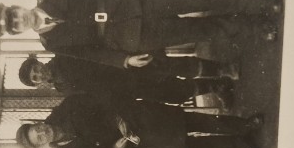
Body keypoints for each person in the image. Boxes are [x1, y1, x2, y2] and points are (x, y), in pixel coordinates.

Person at [0, 0, 281, 69]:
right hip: (133, 37)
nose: (21, 20)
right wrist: (123, 60)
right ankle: (257, 27)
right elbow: (91, 54)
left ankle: (261, 0)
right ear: (18, 32)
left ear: (18, 7)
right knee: (202, 30)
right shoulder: (51, 44)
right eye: (15, 26)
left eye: (15, 15)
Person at [15, 93, 264, 148]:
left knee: (195, 121)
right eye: (39, 138)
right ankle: (242, 145)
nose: (42, 132)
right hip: (139, 146)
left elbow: (100, 97)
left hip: (138, 117)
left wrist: (118, 118)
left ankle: (244, 125)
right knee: (194, 147)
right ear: (42, 146)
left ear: (37, 123)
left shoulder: (65, 108)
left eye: (37, 129)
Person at [17, 53, 236, 108]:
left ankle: (222, 68)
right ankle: (217, 86)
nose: (39, 74)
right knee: (173, 92)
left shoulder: (63, 57)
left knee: (173, 67)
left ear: (38, 62)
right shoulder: (61, 88)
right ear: (38, 84)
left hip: (125, 67)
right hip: (127, 89)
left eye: (35, 69)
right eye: (35, 78)